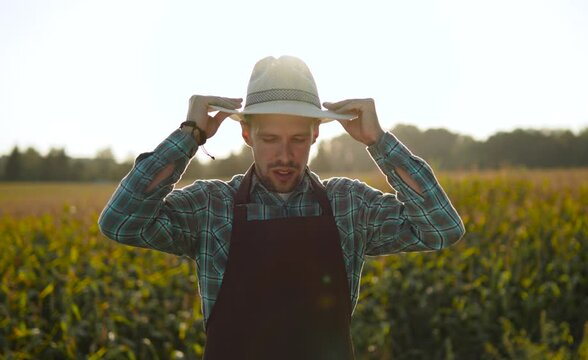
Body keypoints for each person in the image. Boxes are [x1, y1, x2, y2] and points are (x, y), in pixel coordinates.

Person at [98, 55, 465, 359]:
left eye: (298, 139)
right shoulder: (212, 207)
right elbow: (121, 221)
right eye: (270, 139)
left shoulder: (348, 205)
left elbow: (441, 228)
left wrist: (379, 142)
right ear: (247, 135)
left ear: (316, 136)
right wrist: (189, 135)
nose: (285, 156)